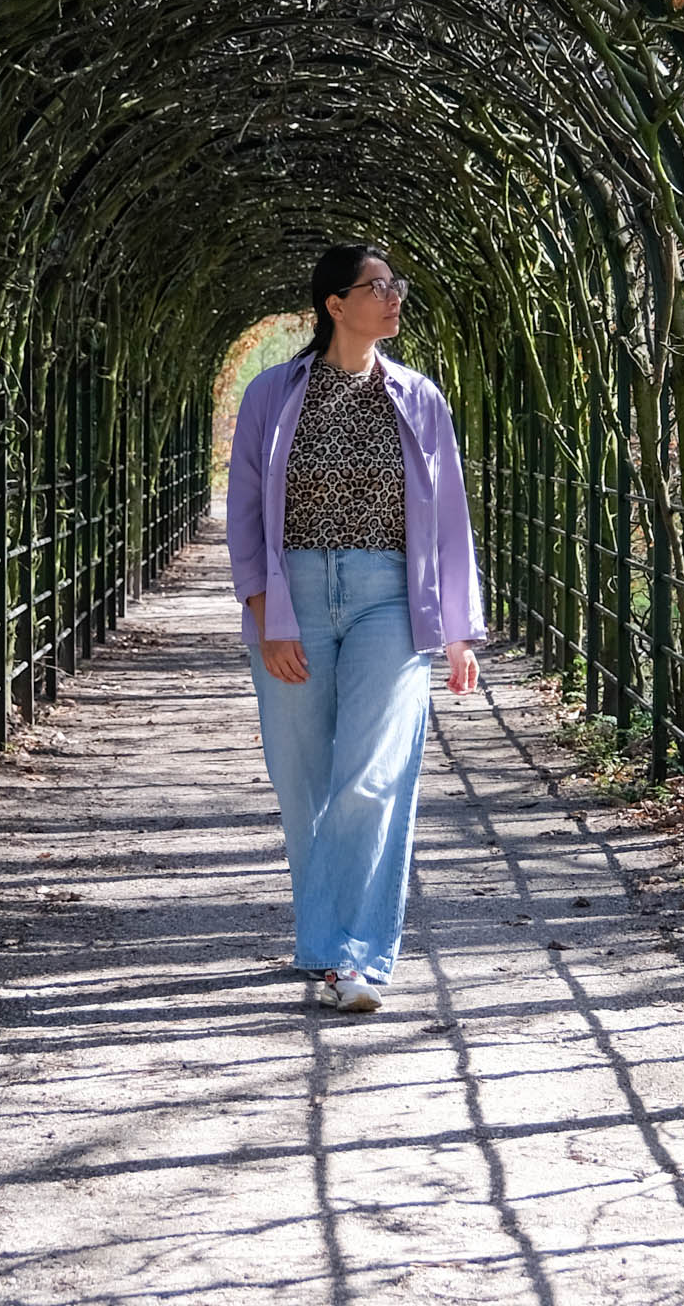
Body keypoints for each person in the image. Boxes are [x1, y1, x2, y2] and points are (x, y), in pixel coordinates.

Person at [226, 244, 483, 1014]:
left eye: (396, 285)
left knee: (374, 772)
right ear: (335, 305)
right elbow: (242, 512)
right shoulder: (273, 393)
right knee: (303, 781)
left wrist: (460, 630)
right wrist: (267, 613)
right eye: (378, 287)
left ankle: (353, 958)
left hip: (388, 597)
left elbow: (449, 521)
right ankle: (325, 944)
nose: (394, 297)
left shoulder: (419, 397)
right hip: (293, 590)